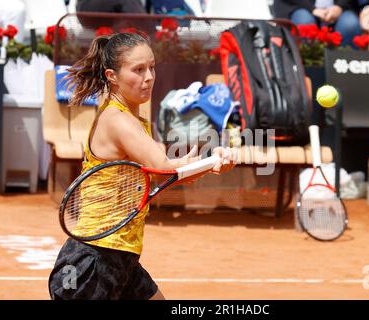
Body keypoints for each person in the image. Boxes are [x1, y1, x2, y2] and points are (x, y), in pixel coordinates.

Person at [48, 32, 235, 300]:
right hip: (92, 260)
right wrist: (211, 163)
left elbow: (170, 168)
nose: (148, 77)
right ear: (112, 76)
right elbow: (166, 172)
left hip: (122, 256)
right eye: (138, 70)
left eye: (152, 67)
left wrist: (207, 162)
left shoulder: (136, 120)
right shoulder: (118, 121)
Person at [273, 0, 362, 47]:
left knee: (350, 24)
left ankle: (341, 68)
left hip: (338, 10)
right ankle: (305, 69)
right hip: (298, 7)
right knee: (305, 21)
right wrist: (312, 9)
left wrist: (339, 7)